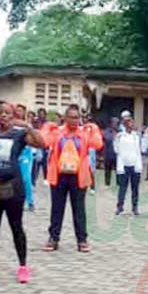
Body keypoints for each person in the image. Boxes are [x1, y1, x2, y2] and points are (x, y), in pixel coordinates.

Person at [0, 103, 44, 284]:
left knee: (16, 227)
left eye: (8, 113)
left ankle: (23, 266)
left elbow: (40, 143)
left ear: (14, 116)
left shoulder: (19, 134)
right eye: (0, 113)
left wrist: (29, 126)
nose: (4, 116)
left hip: (13, 187)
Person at [40, 104, 103, 252]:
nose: (75, 120)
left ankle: (82, 240)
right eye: (72, 117)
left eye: (77, 118)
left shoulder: (84, 133)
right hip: (59, 176)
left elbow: (98, 144)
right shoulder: (57, 133)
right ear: (65, 118)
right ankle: (53, 238)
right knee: (57, 208)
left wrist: (93, 128)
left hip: (78, 177)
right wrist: (48, 126)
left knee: (79, 209)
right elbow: (44, 142)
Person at [114, 112, 143, 216]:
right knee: (122, 188)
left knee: (135, 188)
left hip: (135, 165)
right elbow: (116, 149)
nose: (130, 125)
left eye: (131, 122)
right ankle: (119, 207)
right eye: (128, 123)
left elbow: (141, 149)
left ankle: (135, 207)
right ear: (124, 125)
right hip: (124, 165)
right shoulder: (120, 136)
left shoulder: (137, 136)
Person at [102, 116, 120, 187]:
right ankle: (107, 183)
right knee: (107, 170)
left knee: (118, 170)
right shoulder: (107, 131)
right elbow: (106, 139)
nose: (115, 124)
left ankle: (118, 183)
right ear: (111, 123)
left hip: (117, 155)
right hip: (108, 154)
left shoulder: (121, 132)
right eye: (114, 122)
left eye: (116, 123)